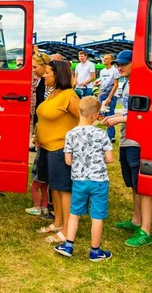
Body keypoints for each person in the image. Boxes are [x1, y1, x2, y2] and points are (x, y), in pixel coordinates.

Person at [102, 50, 152, 247]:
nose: (119, 67)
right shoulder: (127, 83)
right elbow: (129, 110)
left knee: (143, 185)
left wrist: (119, 119)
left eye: (124, 64)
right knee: (134, 184)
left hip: (138, 141)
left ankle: (145, 230)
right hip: (127, 138)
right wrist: (117, 117)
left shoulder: (143, 83)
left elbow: (147, 114)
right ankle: (136, 220)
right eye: (117, 64)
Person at [54, 96, 114, 261]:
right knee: (97, 216)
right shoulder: (101, 134)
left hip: (79, 180)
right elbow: (110, 159)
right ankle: (95, 251)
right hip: (99, 181)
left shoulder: (71, 134)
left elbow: (68, 161)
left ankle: (68, 245)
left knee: (74, 213)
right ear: (94, 115)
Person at [34, 60, 80, 243]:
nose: (44, 75)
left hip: (61, 149)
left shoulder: (69, 96)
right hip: (47, 148)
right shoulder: (53, 94)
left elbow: (86, 119)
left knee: (64, 189)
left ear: (58, 75)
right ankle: (59, 222)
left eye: (48, 72)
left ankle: (68, 230)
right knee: (55, 187)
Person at [26, 49, 52, 216]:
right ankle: (46, 202)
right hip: (41, 129)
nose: (33, 70)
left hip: (47, 134)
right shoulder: (41, 83)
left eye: (35, 67)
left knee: (43, 169)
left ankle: (46, 203)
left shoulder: (48, 86)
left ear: (45, 67)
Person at [98, 53, 120, 142]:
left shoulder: (114, 70)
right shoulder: (102, 71)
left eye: (106, 59)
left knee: (109, 115)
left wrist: (109, 98)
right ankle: (111, 135)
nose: (104, 60)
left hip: (111, 96)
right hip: (103, 95)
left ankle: (109, 137)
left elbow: (116, 85)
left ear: (111, 61)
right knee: (103, 115)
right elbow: (101, 84)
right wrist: (99, 97)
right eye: (104, 58)